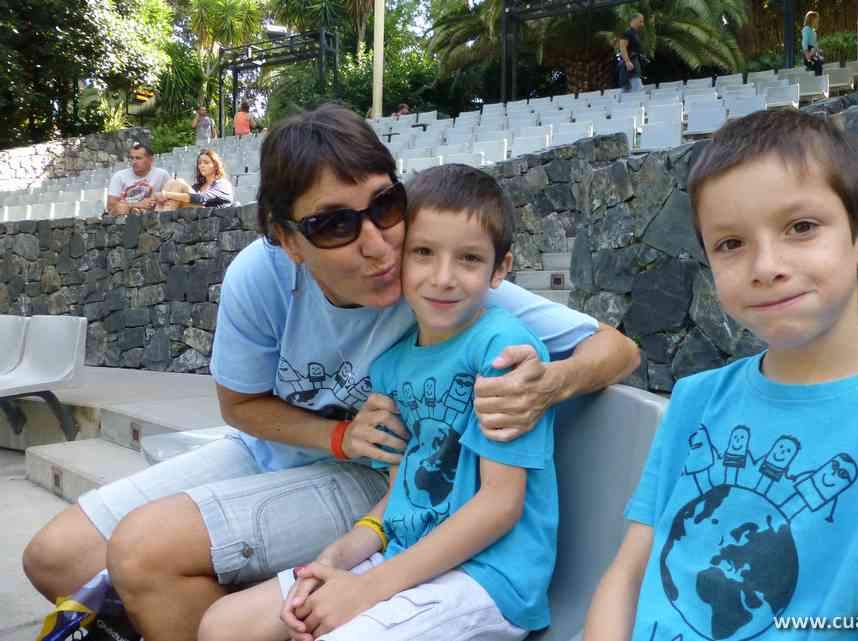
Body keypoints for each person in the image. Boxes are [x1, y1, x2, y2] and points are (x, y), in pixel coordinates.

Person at [22, 104, 639, 641]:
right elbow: (240, 406)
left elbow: (616, 349)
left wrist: (547, 386)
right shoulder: (260, 277)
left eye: (386, 205)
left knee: (145, 553)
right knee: (55, 557)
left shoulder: (435, 279)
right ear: (286, 240)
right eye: (334, 224)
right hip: (285, 451)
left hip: (383, 479)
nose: (377, 243)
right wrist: (338, 435)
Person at [580, 109, 858, 641]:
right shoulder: (695, 401)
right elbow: (629, 573)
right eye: (731, 243)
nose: (765, 265)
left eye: (801, 227)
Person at [200, 163, 558, 641]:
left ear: (501, 269)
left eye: (469, 259)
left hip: (490, 575)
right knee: (222, 626)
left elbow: (500, 505)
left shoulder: (503, 350)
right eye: (424, 253)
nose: (444, 278)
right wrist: (335, 558)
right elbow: (398, 496)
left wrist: (367, 589)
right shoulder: (390, 368)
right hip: (403, 554)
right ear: (400, 257)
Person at [155, 149, 235, 209]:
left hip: (210, 217)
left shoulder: (223, 184)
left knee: (179, 182)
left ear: (215, 165)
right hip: (192, 215)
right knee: (171, 182)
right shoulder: (197, 186)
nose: (202, 166)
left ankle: (160, 223)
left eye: (206, 162)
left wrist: (166, 194)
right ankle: (157, 220)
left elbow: (201, 198)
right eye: (199, 163)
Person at [106, 142, 171, 216]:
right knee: (121, 208)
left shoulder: (162, 175)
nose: (134, 162)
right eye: (132, 158)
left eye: (138, 158)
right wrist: (138, 204)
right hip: (126, 215)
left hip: (152, 214)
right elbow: (110, 206)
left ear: (151, 160)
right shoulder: (119, 176)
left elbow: (169, 198)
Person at [619, 14, 646, 93]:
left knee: (627, 93)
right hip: (630, 66)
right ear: (634, 20)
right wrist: (627, 62)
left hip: (633, 65)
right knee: (638, 92)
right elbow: (622, 47)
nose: (642, 24)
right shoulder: (627, 32)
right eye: (640, 21)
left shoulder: (635, 34)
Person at [802, 11, 824, 76]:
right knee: (816, 67)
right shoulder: (806, 29)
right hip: (809, 52)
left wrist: (818, 50)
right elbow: (804, 42)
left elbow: (814, 44)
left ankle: (819, 83)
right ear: (812, 20)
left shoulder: (813, 31)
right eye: (816, 19)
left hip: (813, 52)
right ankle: (816, 83)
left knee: (819, 65)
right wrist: (807, 55)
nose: (817, 21)